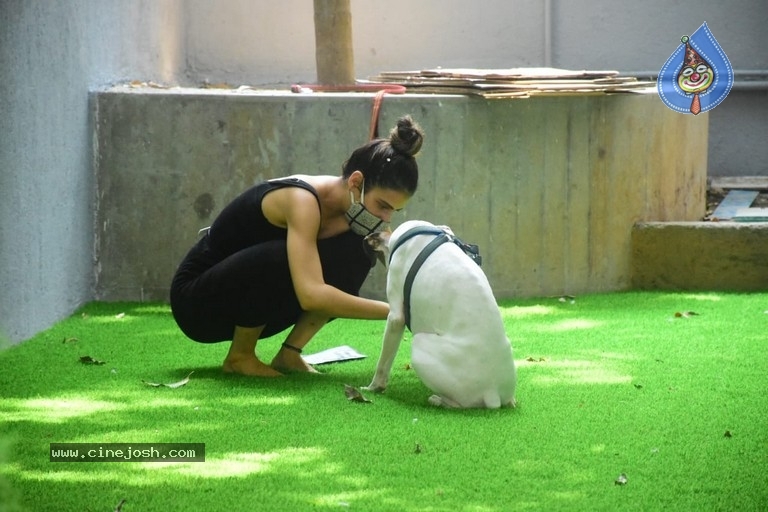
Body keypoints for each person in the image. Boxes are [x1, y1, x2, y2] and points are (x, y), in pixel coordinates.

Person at [170, 115, 424, 377]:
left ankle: (289, 354)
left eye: (395, 210)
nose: (386, 218)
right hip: (198, 302)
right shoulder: (302, 200)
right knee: (279, 257)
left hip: (252, 303)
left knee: (359, 251)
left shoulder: (356, 215)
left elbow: (400, 262)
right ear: (356, 183)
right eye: (383, 205)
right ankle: (240, 357)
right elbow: (311, 294)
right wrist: (397, 311)